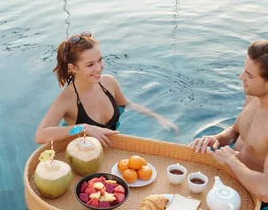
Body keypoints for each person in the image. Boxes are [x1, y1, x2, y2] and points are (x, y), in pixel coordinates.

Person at [190, 39, 268, 204]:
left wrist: (232, 161)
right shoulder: (255, 96)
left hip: (253, 197)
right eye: (245, 71)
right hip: (227, 176)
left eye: (249, 75)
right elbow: (236, 131)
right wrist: (217, 139)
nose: (241, 77)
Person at [35, 31, 178, 146]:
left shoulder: (108, 82)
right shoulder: (66, 99)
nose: (99, 68)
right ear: (73, 68)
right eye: (90, 64)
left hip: (114, 145)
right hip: (86, 153)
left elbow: (127, 104)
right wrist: (83, 128)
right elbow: (40, 135)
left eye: (100, 60)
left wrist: (158, 118)